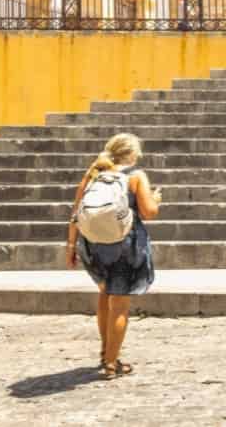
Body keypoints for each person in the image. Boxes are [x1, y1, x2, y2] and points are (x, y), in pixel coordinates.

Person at [65, 132, 161, 380]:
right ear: (132, 154)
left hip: (93, 244)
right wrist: (157, 200)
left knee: (104, 294)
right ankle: (111, 363)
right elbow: (149, 212)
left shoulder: (93, 175)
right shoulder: (136, 177)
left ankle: (106, 352)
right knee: (119, 303)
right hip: (124, 245)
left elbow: (76, 213)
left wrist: (70, 246)